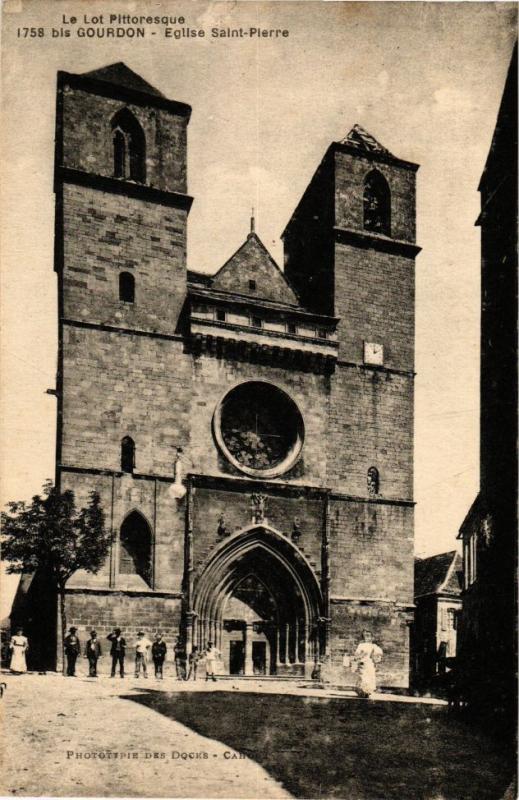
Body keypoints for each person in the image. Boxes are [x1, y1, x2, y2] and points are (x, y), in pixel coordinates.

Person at [353, 630, 383, 698]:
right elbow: (357, 654)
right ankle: (363, 691)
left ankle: (367, 692)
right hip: (363, 663)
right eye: (365, 636)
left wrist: (375, 659)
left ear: (371, 637)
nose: (367, 638)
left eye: (369, 636)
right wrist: (359, 657)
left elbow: (378, 653)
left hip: (369, 663)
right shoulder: (361, 645)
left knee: (369, 677)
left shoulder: (374, 646)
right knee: (363, 677)